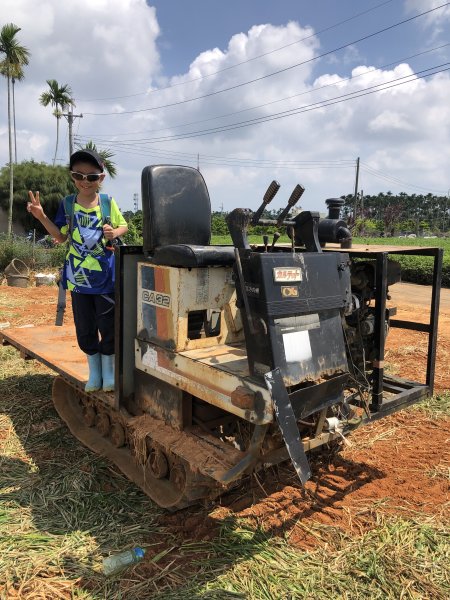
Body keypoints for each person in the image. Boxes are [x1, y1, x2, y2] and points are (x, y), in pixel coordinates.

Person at [27, 149, 128, 393]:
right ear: (72, 177)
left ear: (100, 179)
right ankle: (95, 374)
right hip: (79, 279)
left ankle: (108, 373)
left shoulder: (107, 202)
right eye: (78, 175)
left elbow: (123, 225)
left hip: (106, 278)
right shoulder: (68, 204)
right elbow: (61, 237)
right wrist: (42, 217)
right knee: (85, 327)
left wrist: (114, 233)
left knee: (108, 326)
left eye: (91, 177)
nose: (84, 181)